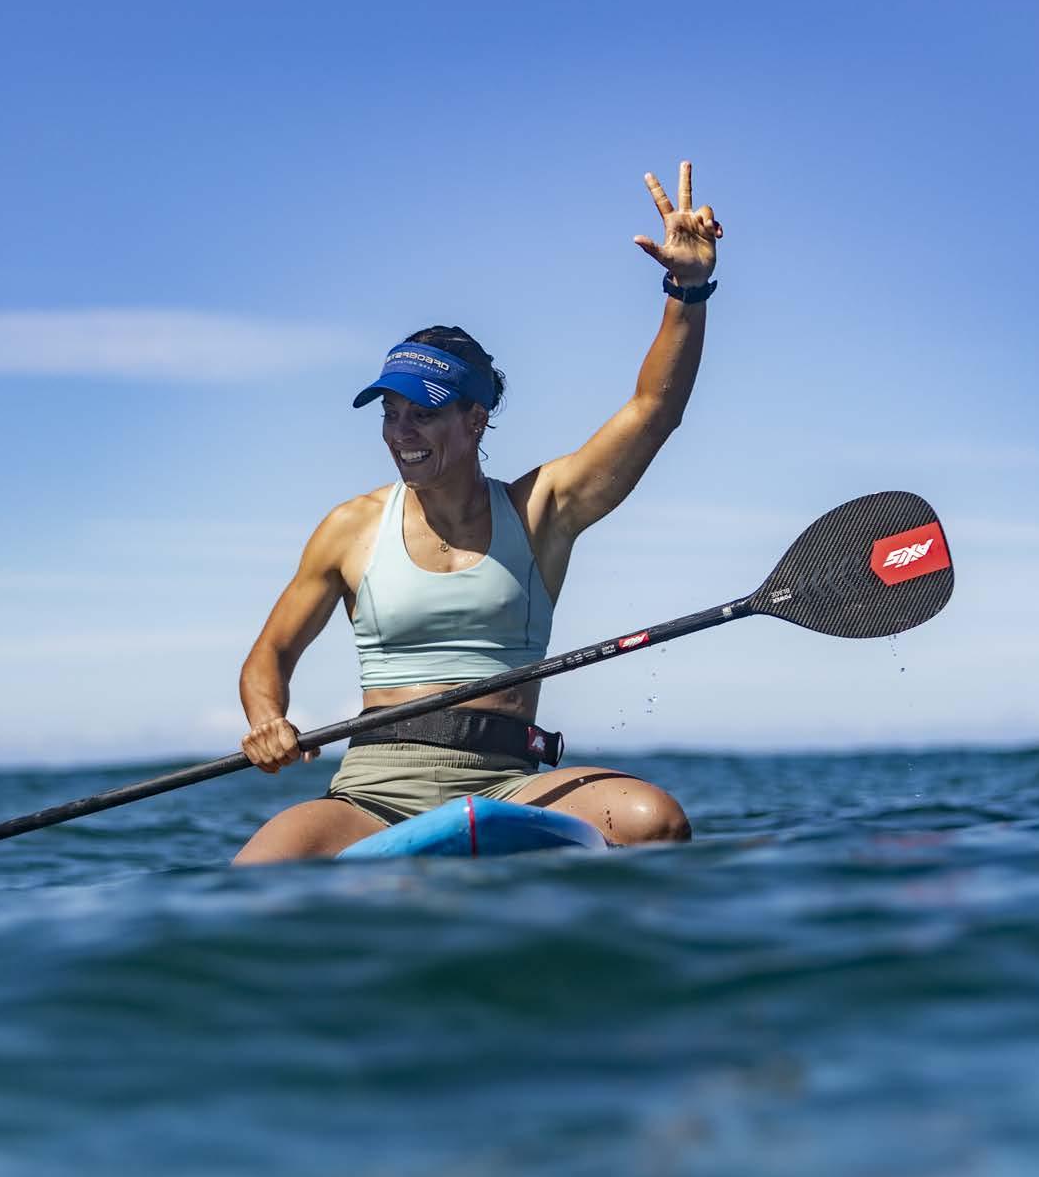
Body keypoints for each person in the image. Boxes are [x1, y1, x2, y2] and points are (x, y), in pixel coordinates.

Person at [233, 162, 721, 864]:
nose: (401, 433)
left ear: (475, 419)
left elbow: (653, 412)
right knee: (259, 870)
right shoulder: (350, 528)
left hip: (512, 782)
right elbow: (270, 654)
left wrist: (687, 291)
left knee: (655, 820)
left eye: (423, 414)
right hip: (371, 792)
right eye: (390, 413)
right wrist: (267, 718)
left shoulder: (541, 510)